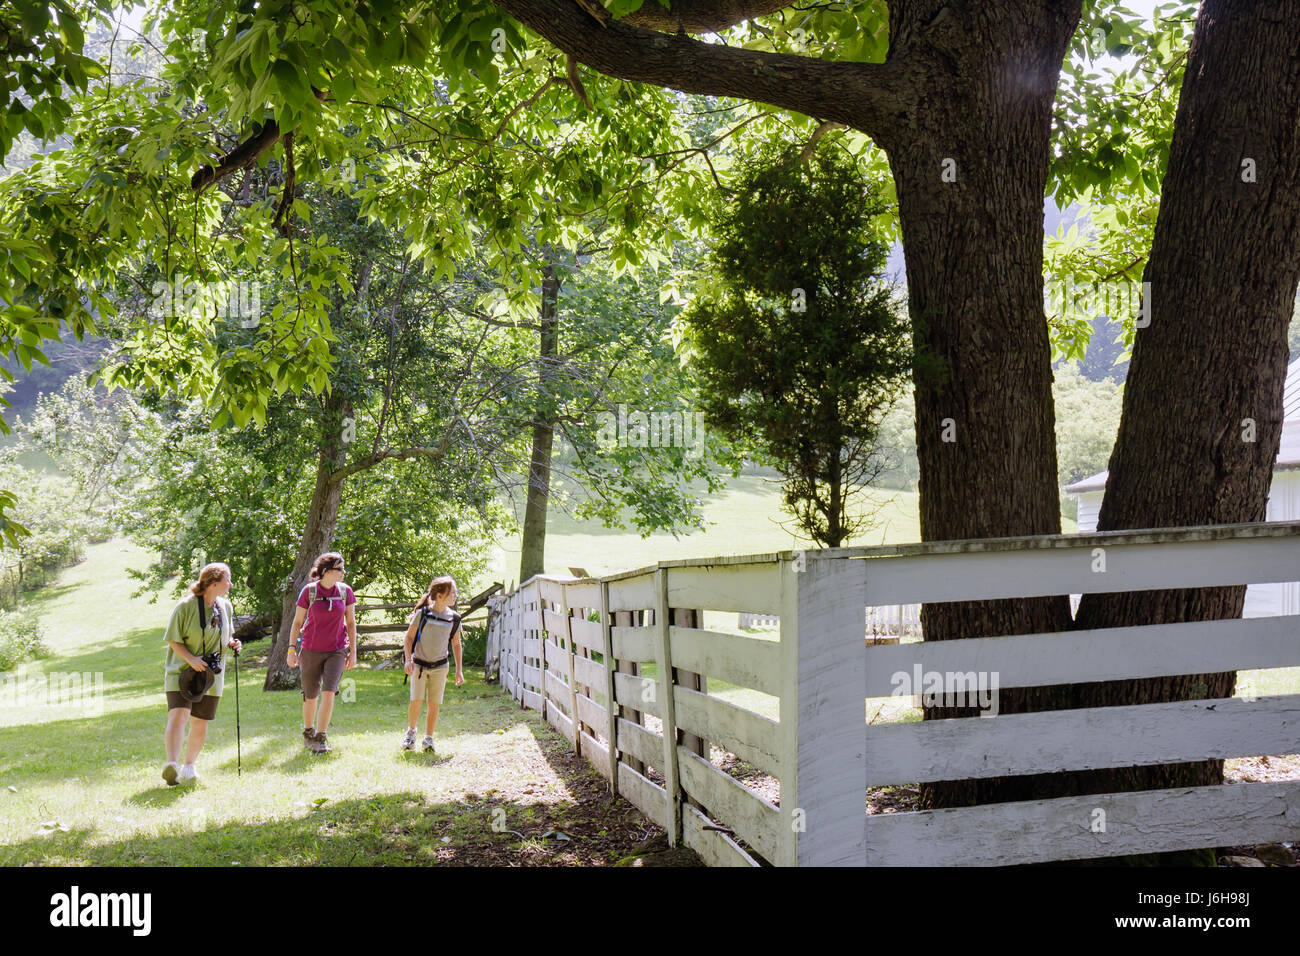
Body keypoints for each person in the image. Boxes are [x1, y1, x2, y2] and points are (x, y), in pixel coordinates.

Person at [162, 562, 241, 785]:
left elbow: (227, 636)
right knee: (178, 715)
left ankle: (189, 766)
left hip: (211, 677)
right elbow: (173, 640)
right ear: (214, 583)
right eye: (228, 580)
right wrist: (192, 660)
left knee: (200, 721)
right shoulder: (185, 607)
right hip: (181, 671)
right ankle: (172, 766)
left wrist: (233, 644)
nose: (231, 584)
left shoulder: (225, 606)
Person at [286, 552, 357, 753]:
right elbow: (297, 622)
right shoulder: (309, 592)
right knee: (311, 695)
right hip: (310, 650)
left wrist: (353, 651)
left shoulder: (345, 592)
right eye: (340, 569)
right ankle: (308, 732)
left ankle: (321, 736)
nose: (344, 572)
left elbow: (351, 623)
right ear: (326, 571)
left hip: (336, 650)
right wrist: (291, 649)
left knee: (329, 693)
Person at [401, 575, 465, 754]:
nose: (455, 596)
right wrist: (408, 659)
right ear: (439, 595)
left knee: (434, 703)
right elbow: (409, 638)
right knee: (416, 700)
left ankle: (428, 739)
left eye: (455, 593)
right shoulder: (423, 614)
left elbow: (456, 644)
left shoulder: (454, 618)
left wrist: (459, 670)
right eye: (452, 593)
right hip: (419, 666)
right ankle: (411, 733)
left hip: (440, 666)